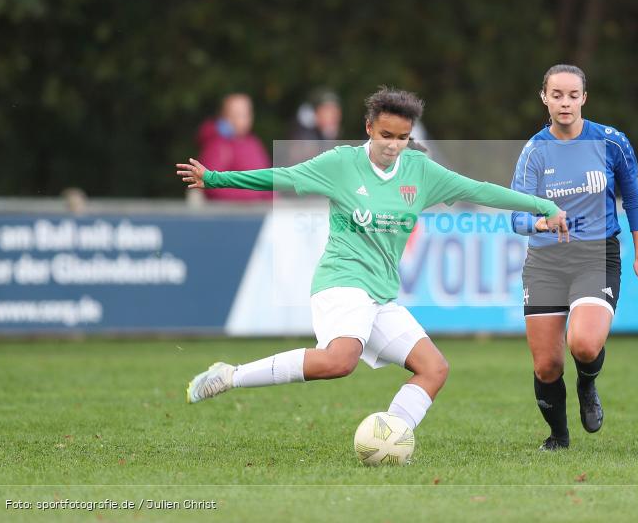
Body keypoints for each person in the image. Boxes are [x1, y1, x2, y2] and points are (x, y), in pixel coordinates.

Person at [176, 87, 568, 438]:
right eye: (385, 135)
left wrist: (543, 204)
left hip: (379, 294)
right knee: (340, 360)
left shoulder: (421, 171)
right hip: (341, 280)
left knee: (434, 369)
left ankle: (390, 435)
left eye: (401, 137)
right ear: (368, 128)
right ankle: (230, 376)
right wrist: (214, 178)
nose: (393, 145)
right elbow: (281, 175)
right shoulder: (340, 164)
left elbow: (478, 189)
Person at [510, 64, 638, 451]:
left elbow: (635, 198)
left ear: (584, 98)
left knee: (583, 345)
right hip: (546, 261)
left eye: (572, 95)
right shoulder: (534, 152)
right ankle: (558, 437)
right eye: (556, 95)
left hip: (597, 254)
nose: (565, 103)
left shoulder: (611, 142)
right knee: (546, 365)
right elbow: (517, 218)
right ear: (544, 98)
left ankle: (588, 383)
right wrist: (543, 224)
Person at [196, 93, 273, 201]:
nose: (241, 119)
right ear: (223, 116)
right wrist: (253, 194)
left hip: (259, 210)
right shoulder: (217, 145)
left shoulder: (253, 142)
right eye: (235, 114)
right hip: (231, 213)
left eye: (245, 114)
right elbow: (212, 185)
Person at [285, 89, 343, 165]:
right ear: (316, 112)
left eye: (336, 110)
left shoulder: (327, 134)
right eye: (328, 110)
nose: (334, 115)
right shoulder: (303, 136)